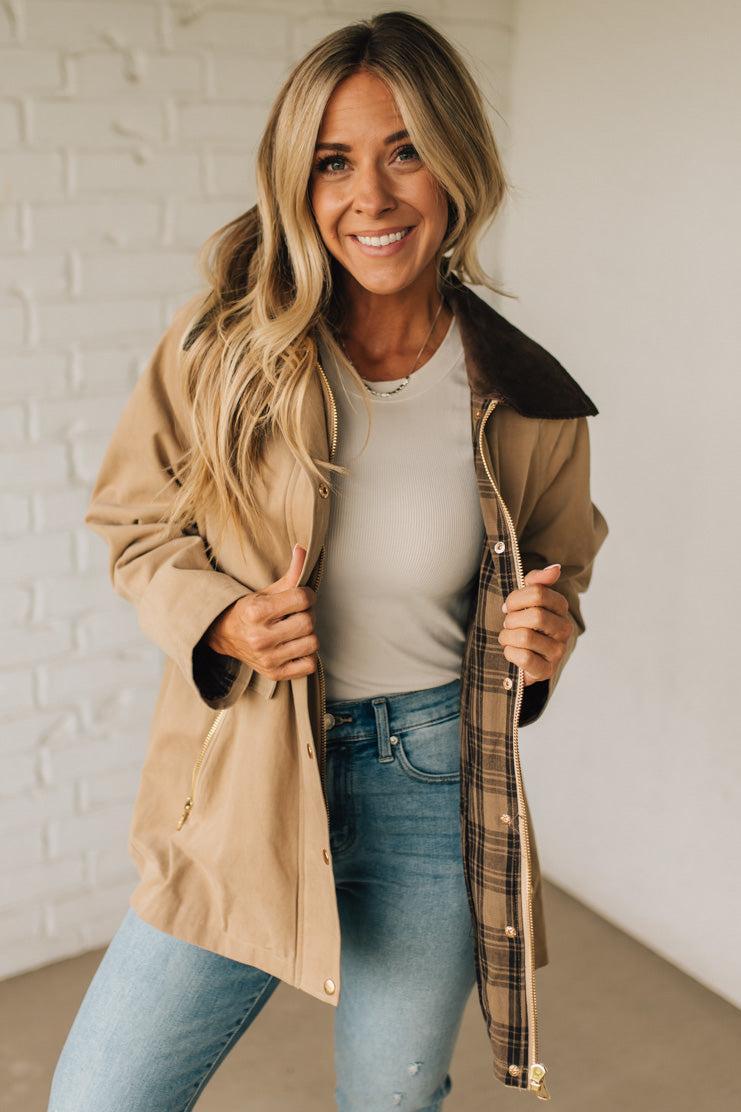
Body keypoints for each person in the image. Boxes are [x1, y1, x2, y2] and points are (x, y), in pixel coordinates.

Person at [48, 10, 608, 1111]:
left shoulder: (529, 395)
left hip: (436, 783)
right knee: (102, 1096)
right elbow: (134, 519)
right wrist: (222, 617)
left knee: (391, 1101)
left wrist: (546, 640)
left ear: (457, 161)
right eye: (335, 161)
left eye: (405, 150)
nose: (374, 196)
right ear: (295, 181)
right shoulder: (223, 345)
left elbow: (560, 569)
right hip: (252, 769)